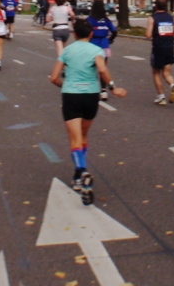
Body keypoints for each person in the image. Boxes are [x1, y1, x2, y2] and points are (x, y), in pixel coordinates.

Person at [49, 18, 127, 205]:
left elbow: (53, 78)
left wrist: (64, 84)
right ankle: (78, 177)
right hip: (91, 96)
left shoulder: (67, 51)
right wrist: (112, 87)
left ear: (74, 34)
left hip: (71, 95)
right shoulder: (96, 50)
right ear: (91, 34)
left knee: (74, 138)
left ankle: (81, 172)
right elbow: (101, 68)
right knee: (83, 136)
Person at [146, 0, 174, 106]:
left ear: (155, 6)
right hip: (169, 48)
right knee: (167, 73)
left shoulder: (153, 18)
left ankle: (161, 96)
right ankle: (173, 85)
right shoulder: (171, 18)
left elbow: (148, 35)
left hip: (158, 48)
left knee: (156, 72)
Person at [87, 0, 118, 100]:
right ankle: (103, 91)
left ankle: (91, 89)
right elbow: (114, 31)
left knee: (91, 69)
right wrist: (110, 40)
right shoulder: (107, 20)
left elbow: (86, 31)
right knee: (103, 69)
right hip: (104, 46)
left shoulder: (90, 20)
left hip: (92, 46)